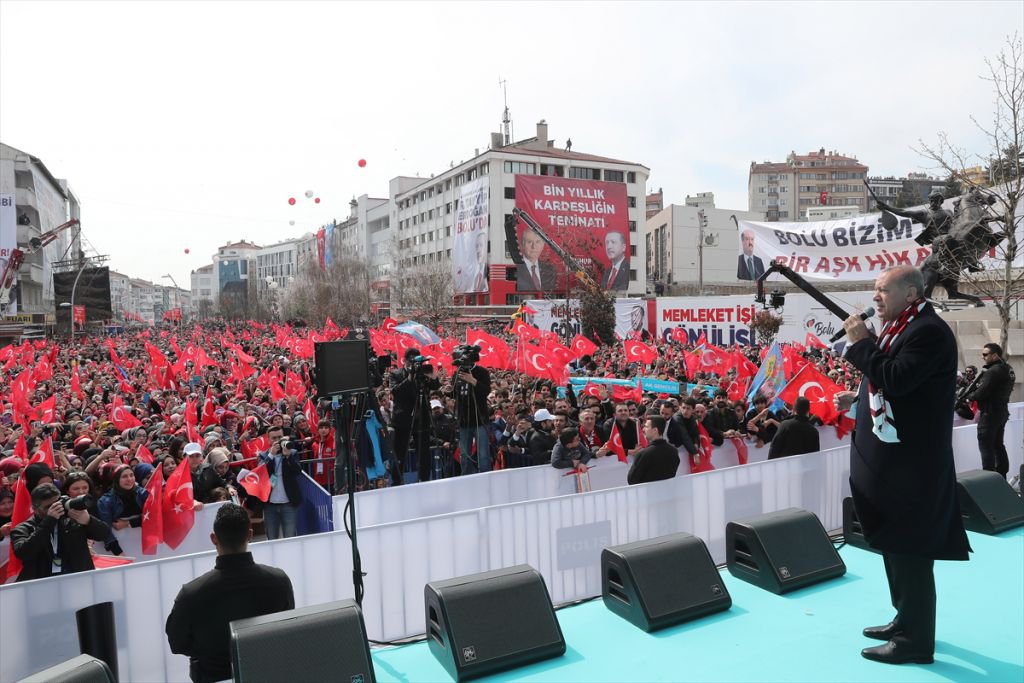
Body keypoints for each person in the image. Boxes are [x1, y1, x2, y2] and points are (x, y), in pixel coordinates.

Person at [836, 265, 969, 665]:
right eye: (875, 289)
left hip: (912, 467)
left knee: (910, 549)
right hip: (894, 464)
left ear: (911, 294)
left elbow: (895, 377)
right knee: (895, 544)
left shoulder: (927, 331)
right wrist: (858, 399)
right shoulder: (903, 327)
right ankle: (905, 618)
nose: (875, 297)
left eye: (883, 290)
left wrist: (860, 344)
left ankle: (915, 641)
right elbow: (892, 386)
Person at [166, 503, 295, 683]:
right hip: (266, 673)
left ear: (214, 538)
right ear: (250, 535)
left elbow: (177, 643)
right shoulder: (278, 581)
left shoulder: (192, 593)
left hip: (213, 675)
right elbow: (287, 630)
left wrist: (209, 650)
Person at [11, 482, 111, 582]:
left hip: (78, 581)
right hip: (42, 584)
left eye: (57, 503)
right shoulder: (23, 528)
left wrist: (88, 521)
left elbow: (104, 534)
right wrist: (49, 521)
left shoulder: (73, 520)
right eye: (49, 507)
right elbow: (23, 553)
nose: (56, 508)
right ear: (35, 509)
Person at [965, 342, 1015, 477]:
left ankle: (989, 478)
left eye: (985, 354)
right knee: (998, 445)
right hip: (1001, 412)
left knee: (986, 447)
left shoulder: (993, 372)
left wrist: (968, 396)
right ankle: (1001, 477)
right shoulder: (1008, 368)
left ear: (994, 355)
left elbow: (980, 393)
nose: (983, 357)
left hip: (990, 414)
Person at [257, 425, 303, 539]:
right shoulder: (264, 455)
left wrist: (288, 457)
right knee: (272, 538)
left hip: (288, 504)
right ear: (268, 440)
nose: (277, 441)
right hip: (270, 505)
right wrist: (271, 455)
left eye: (280, 437)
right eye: (274, 438)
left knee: (290, 537)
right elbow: (260, 472)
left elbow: (298, 471)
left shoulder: (292, 452)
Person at [454, 352, 492, 474]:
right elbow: (456, 394)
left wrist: (473, 381)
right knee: (464, 455)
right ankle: (466, 477)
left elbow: (486, 391)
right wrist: (448, 391)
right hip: (464, 420)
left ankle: (485, 477)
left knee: (483, 454)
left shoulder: (482, 372)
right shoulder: (457, 373)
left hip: (479, 419)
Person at [627, 416, 679, 485]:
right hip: (667, 492)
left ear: (655, 430)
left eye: (646, 427)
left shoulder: (643, 454)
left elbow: (631, 480)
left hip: (649, 494)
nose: (643, 429)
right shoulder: (674, 451)